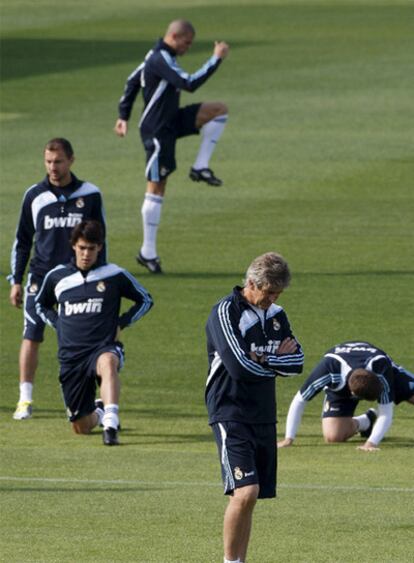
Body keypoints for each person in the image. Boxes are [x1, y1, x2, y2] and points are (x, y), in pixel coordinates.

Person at [205, 252, 304, 563]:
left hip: (263, 413)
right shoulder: (226, 311)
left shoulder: (277, 314)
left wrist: (264, 360)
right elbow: (237, 367)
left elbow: (297, 362)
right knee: (245, 491)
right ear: (251, 283)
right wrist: (273, 361)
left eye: (278, 293)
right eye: (269, 292)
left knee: (252, 497)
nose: (272, 298)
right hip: (229, 410)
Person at [114, 19, 229, 274]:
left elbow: (132, 80)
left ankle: (200, 166)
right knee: (156, 187)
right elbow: (188, 83)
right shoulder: (160, 58)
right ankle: (148, 251)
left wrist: (123, 116)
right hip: (157, 130)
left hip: (171, 120)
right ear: (175, 37)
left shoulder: (157, 56)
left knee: (218, 111)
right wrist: (215, 59)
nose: (188, 48)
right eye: (187, 43)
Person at [9, 138, 106, 421]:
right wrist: (16, 280)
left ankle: (87, 399)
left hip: (77, 282)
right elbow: (23, 241)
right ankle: (25, 399)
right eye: (49, 161)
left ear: (71, 160)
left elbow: (100, 238)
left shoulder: (89, 194)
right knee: (31, 334)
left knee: (85, 342)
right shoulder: (35, 196)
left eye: (58, 161)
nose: (53, 167)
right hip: (40, 280)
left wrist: (99, 274)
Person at [35, 220, 153, 446]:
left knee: (108, 361)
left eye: (91, 248)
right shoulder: (57, 278)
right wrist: (58, 324)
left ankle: (111, 422)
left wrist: (122, 322)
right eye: (82, 248)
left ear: (99, 247)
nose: (86, 254)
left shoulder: (114, 274)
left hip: (103, 346)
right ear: (73, 247)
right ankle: (100, 412)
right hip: (71, 356)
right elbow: (41, 305)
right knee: (81, 427)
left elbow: (145, 300)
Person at [277, 341, 414, 452]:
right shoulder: (328, 369)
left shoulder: (381, 370)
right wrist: (289, 438)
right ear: (352, 394)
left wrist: (371, 443)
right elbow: (299, 400)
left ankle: (370, 429)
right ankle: (367, 422)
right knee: (333, 436)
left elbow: (386, 412)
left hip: (384, 371)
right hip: (340, 383)